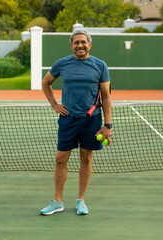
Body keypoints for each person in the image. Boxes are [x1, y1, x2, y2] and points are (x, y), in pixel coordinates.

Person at [40, 29, 112, 215]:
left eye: (83, 42)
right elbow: (45, 83)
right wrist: (55, 104)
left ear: (89, 44)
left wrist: (107, 125)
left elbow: (106, 96)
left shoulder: (100, 65)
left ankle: (81, 200)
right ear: (71, 45)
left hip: (92, 120)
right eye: (76, 42)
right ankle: (57, 202)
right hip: (68, 120)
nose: (80, 45)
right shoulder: (61, 64)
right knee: (60, 159)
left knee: (86, 159)